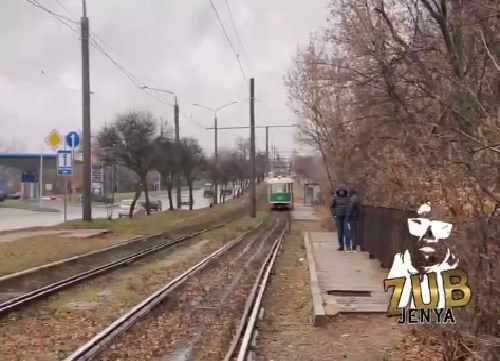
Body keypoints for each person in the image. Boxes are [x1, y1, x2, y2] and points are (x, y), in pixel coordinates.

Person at [330, 185, 350, 251]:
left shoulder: (347, 197)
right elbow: (332, 207)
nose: (342, 192)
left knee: (346, 232)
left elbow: (350, 206)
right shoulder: (335, 197)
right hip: (338, 217)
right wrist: (334, 215)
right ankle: (341, 246)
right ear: (338, 191)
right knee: (340, 232)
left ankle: (348, 246)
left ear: (345, 191)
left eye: (343, 191)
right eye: (341, 191)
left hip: (345, 217)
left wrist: (349, 214)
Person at [346, 187, 360, 252]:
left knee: (353, 232)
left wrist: (348, 217)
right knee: (356, 232)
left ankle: (354, 247)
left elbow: (350, 209)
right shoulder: (357, 198)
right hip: (357, 217)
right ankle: (356, 246)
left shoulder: (352, 199)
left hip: (353, 218)